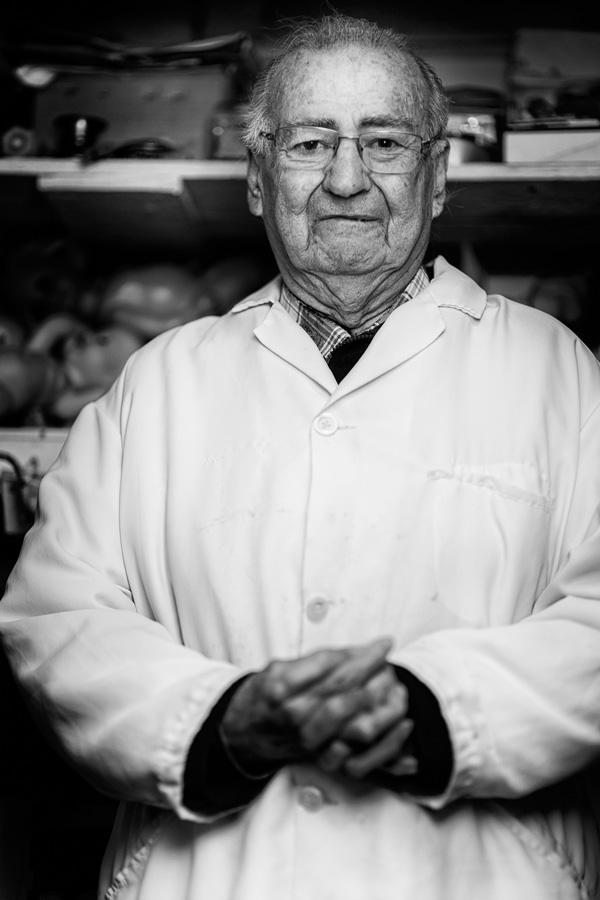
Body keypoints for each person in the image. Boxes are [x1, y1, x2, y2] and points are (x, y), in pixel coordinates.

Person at [2, 13, 600, 900]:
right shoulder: (159, 383)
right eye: (312, 143)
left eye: (385, 142)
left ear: (437, 179)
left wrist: (433, 711)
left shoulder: (560, 373)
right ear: (256, 176)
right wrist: (223, 723)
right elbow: (56, 617)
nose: (347, 181)